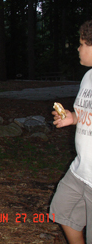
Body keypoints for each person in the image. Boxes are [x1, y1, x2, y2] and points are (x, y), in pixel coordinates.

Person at [50, 20, 92, 244]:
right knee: (62, 211)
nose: (78, 48)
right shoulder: (88, 78)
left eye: (82, 43)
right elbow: (84, 114)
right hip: (80, 170)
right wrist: (72, 118)